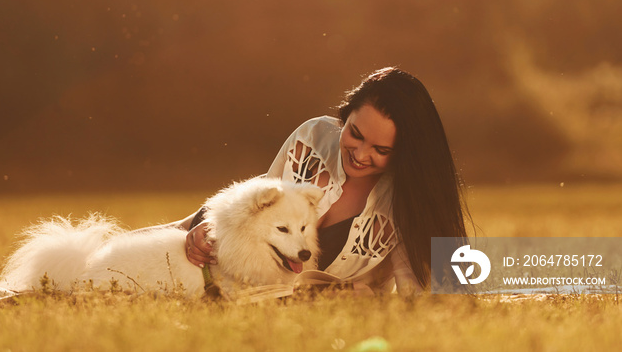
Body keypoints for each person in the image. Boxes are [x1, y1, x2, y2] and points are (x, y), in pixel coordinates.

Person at [174, 66, 470, 294]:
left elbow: (425, 298)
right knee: (137, 255)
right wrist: (209, 229)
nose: (360, 154)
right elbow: (261, 201)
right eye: (355, 133)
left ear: (405, 153)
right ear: (345, 114)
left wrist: (372, 301)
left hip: (265, 301)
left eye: (381, 150)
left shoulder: (408, 202)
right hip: (210, 243)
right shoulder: (312, 136)